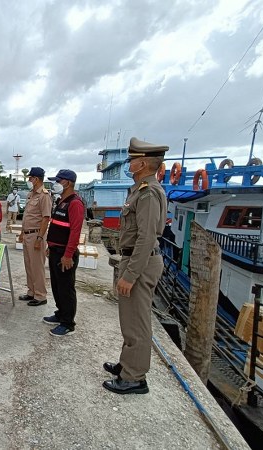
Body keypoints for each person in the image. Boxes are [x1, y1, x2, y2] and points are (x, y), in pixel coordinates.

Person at [103, 137, 168, 395]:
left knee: (137, 322)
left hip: (141, 262)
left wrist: (129, 275)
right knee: (129, 320)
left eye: (131, 159)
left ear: (142, 163)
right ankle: (127, 364)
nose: (129, 163)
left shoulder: (149, 192)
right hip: (134, 259)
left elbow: (146, 237)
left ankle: (135, 378)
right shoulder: (140, 188)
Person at [44, 170, 85, 336]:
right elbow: (56, 225)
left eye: (58, 181)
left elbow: (75, 232)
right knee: (57, 286)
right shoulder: (61, 201)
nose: (55, 184)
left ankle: (68, 323)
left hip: (64, 253)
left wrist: (68, 255)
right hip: (55, 250)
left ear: (67, 183)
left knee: (66, 288)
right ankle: (60, 313)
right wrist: (50, 245)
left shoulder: (75, 203)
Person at [18, 167, 53, 306]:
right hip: (27, 234)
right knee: (29, 265)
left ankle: (40, 296)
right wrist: (22, 232)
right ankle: (31, 291)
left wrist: (39, 238)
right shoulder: (31, 194)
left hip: (36, 235)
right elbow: (27, 216)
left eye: (30, 178)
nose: (29, 180)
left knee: (37, 266)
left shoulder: (44, 196)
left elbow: (46, 218)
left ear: (36, 179)